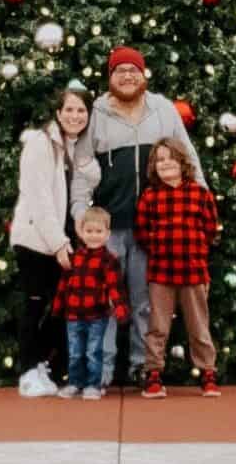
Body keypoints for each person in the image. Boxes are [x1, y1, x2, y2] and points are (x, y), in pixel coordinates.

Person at [71, 46, 206, 389]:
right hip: (108, 228)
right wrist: (78, 214)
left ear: (143, 75)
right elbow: (84, 168)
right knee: (106, 302)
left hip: (154, 230)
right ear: (110, 77)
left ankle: (143, 369)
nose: (128, 76)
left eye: (134, 70)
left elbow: (187, 155)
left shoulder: (163, 109)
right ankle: (102, 373)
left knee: (146, 304)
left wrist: (201, 198)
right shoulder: (97, 112)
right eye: (120, 71)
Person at [11, 87, 99, 398]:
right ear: (58, 113)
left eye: (81, 111)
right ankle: (26, 371)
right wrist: (59, 243)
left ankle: (41, 366)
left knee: (60, 308)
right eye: (70, 110)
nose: (75, 116)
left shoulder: (76, 148)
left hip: (63, 240)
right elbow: (39, 198)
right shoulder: (40, 143)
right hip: (37, 239)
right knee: (34, 305)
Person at [134, 138, 221, 400]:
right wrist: (160, 248)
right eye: (159, 160)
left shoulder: (199, 193)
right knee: (158, 326)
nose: (165, 164)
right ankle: (153, 375)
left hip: (193, 272)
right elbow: (142, 231)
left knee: (198, 326)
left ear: (183, 163)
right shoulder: (150, 196)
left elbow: (209, 228)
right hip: (161, 273)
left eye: (170, 158)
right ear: (154, 167)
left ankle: (207, 373)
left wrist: (195, 251)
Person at [51, 206, 129, 399]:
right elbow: (63, 285)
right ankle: (75, 382)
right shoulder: (74, 258)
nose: (94, 236)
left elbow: (115, 288)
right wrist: (58, 307)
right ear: (81, 232)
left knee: (94, 351)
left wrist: (120, 309)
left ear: (107, 234)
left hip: (97, 316)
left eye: (99, 231)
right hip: (73, 315)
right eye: (89, 231)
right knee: (75, 352)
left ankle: (93, 385)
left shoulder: (109, 260)